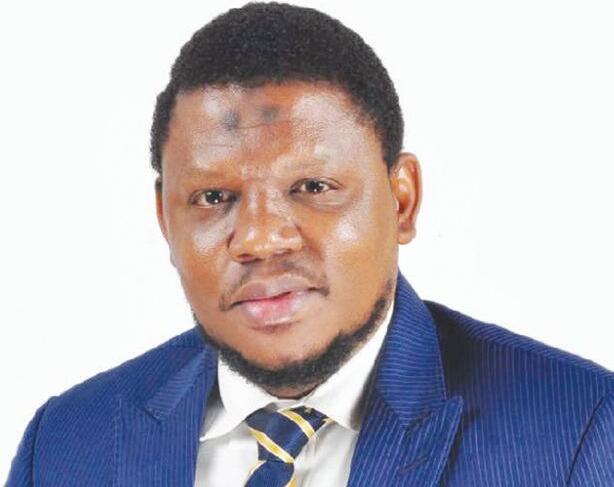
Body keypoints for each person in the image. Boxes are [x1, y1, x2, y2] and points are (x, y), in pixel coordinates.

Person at [6, 2, 613, 486]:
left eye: (312, 187)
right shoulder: (66, 445)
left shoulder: (577, 434)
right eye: (213, 197)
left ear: (401, 201)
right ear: (166, 221)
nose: (260, 239)